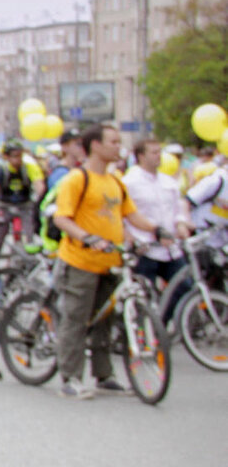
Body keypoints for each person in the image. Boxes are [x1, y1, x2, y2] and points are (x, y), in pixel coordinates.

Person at [51, 124, 166, 400]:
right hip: (81, 261)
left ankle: (104, 376)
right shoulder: (77, 179)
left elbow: (128, 216)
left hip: (111, 261)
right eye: (113, 142)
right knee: (76, 320)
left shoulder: (116, 182)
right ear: (95, 146)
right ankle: (70, 378)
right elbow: (61, 217)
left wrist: (155, 231)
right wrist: (87, 237)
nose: (118, 147)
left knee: (105, 321)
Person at [123, 139, 193, 322]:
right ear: (141, 156)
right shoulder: (130, 182)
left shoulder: (168, 181)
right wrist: (129, 237)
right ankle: (144, 331)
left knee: (185, 287)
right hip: (145, 248)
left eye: (159, 152)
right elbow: (123, 215)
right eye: (153, 152)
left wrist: (181, 223)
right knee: (144, 296)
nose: (158, 156)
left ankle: (161, 322)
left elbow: (177, 208)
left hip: (169, 248)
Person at [0, 140, 45, 247]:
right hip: (5, 205)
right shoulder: (1, 169)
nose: (19, 159)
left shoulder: (29, 167)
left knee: (29, 230)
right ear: (6, 157)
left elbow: (39, 186)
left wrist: (40, 199)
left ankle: (30, 250)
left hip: (24, 205)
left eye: (21, 155)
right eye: (15, 156)